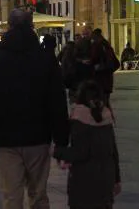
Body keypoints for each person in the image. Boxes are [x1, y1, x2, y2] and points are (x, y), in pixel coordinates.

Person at [0, 9, 69, 209]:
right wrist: (61, 141)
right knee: (38, 195)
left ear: (8, 26)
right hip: (38, 139)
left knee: (11, 197)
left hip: (4, 140)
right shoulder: (46, 60)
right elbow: (57, 103)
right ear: (32, 26)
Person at [54, 80, 121, 209]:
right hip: (106, 180)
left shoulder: (79, 120)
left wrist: (56, 151)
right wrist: (117, 179)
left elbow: (80, 152)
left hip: (84, 183)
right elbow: (114, 152)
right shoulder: (106, 118)